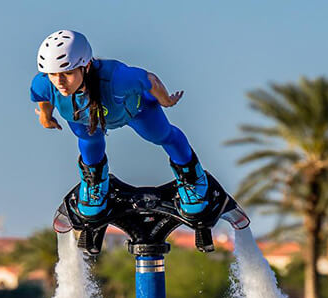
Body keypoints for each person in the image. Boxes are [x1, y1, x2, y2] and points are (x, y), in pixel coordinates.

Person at [30, 29, 211, 219]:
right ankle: (95, 181)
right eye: (52, 74)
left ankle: (191, 174)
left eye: (67, 73)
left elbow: (150, 79)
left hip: (136, 111)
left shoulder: (118, 79)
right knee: (89, 140)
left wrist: (165, 100)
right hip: (85, 119)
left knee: (162, 135)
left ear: (86, 65)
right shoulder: (44, 83)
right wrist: (45, 116)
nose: (59, 82)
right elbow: (43, 97)